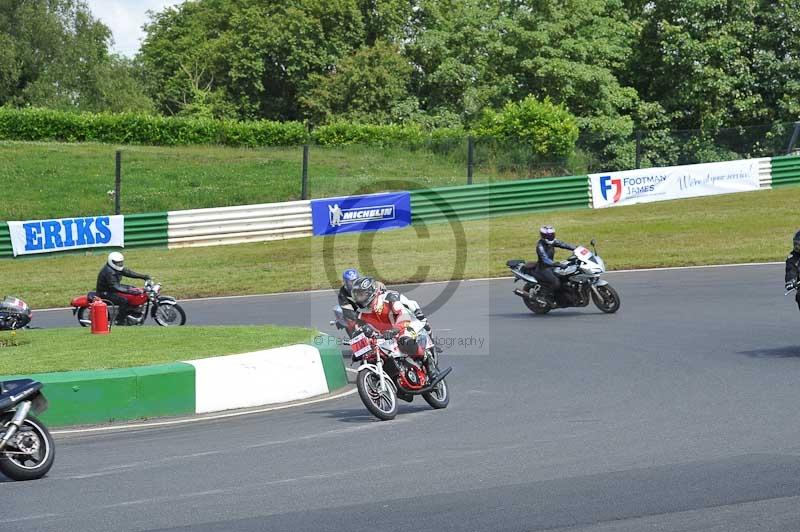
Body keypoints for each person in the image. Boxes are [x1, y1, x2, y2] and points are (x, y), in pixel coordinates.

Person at [350, 277, 428, 360]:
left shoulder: (388, 298)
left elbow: (403, 315)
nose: (358, 299)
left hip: (406, 324)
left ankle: (426, 358)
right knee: (371, 354)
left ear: (370, 292)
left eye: (361, 295)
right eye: (356, 295)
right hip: (385, 334)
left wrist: (395, 330)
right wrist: (357, 349)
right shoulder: (360, 312)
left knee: (404, 342)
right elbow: (359, 331)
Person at [96, 252, 150, 324]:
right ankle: (119, 320)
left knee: (133, 288)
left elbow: (128, 272)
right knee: (124, 300)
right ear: (112, 262)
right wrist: (132, 291)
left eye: (121, 262)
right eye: (118, 263)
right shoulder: (109, 272)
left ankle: (131, 313)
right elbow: (115, 287)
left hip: (112, 289)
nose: (120, 264)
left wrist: (143, 276)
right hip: (105, 292)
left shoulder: (116, 268)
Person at [534, 225, 576, 302]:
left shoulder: (553, 242)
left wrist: (576, 248)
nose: (550, 237)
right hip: (543, 268)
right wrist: (558, 264)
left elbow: (563, 245)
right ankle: (544, 296)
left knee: (567, 276)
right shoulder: (540, 246)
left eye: (552, 235)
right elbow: (545, 259)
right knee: (556, 283)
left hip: (552, 266)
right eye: (548, 235)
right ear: (543, 236)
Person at [785, 230, 800, 310]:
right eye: (797, 245)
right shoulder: (793, 257)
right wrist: (791, 280)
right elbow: (791, 270)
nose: (797, 247)